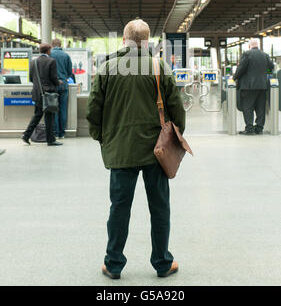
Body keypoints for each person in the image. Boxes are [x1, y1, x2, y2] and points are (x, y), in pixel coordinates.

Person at [87, 19, 185, 280]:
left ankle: (114, 263)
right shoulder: (159, 66)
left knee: (119, 207)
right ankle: (162, 262)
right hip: (157, 151)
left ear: (123, 39)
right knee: (160, 207)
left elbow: (93, 109)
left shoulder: (107, 67)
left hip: (120, 150)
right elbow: (176, 109)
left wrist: (103, 138)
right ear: (148, 41)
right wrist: (176, 137)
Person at [22, 43, 63, 147]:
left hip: (37, 93)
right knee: (49, 117)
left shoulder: (33, 62)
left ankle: (26, 135)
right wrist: (58, 82)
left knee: (37, 115)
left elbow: (31, 78)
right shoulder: (51, 61)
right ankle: (50, 140)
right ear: (48, 51)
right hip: (48, 94)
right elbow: (54, 78)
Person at [234, 38, 274, 135]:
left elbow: (241, 68)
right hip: (262, 86)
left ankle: (249, 129)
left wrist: (234, 77)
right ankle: (259, 128)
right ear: (257, 45)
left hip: (248, 86)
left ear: (249, 46)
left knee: (248, 107)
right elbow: (271, 67)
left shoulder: (247, 54)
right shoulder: (265, 55)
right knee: (260, 108)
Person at [51, 38, 73, 139]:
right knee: (63, 109)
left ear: (52, 45)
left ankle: (55, 133)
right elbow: (70, 72)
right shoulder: (66, 55)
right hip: (64, 85)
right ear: (60, 45)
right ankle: (62, 133)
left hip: (53, 85)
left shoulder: (49, 54)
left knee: (54, 109)